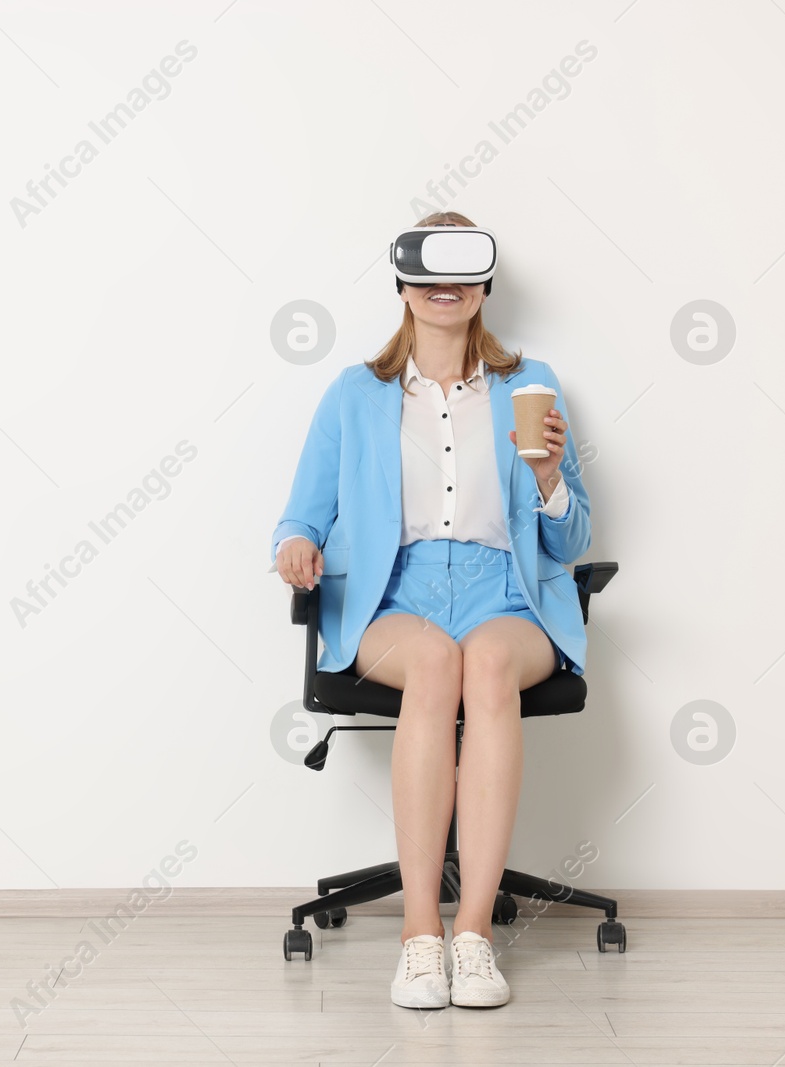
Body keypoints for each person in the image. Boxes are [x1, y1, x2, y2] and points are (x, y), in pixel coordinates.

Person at [270, 211, 591, 1009]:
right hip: (393, 596)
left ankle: (473, 936)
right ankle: (421, 936)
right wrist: (296, 547)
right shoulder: (357, 393)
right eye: (428, 273)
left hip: (509, 596)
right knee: (438, 659)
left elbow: (575, 535)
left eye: (462, 273)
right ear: (403, 284)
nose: (445, 289)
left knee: (481, 660)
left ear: (483, 285)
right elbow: (300, 516)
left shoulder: (531, 384)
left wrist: (550, 477)